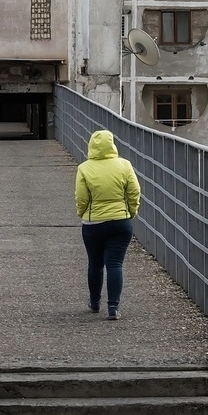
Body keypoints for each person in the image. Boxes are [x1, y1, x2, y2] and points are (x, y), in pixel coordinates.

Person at [75, 129, 140, 321]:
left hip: (93, 223)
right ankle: (113, 307)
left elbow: (81, 197)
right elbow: (134, 192)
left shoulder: (84, 168)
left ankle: (94, 302)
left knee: (95, 263)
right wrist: (131, 212)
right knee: (115, 264)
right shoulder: (124, 165)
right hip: (121, 222)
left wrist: (83, 213)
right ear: (112, 144)